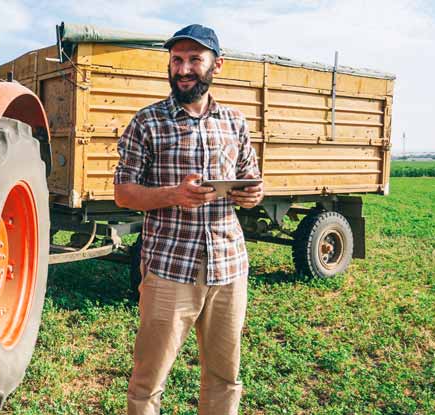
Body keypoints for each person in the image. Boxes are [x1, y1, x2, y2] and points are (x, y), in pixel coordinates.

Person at [113, 23, 263, 415]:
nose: (183, 69)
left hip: (228, 267)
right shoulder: (146, 123)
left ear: (217, 65)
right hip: (169, 269)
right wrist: (173, 195)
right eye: (176, 60)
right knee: (148, 383)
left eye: (194, 59)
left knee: (224, 378)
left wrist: (252, 194)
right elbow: (123, 192)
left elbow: (250, 182)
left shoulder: (235, 123)